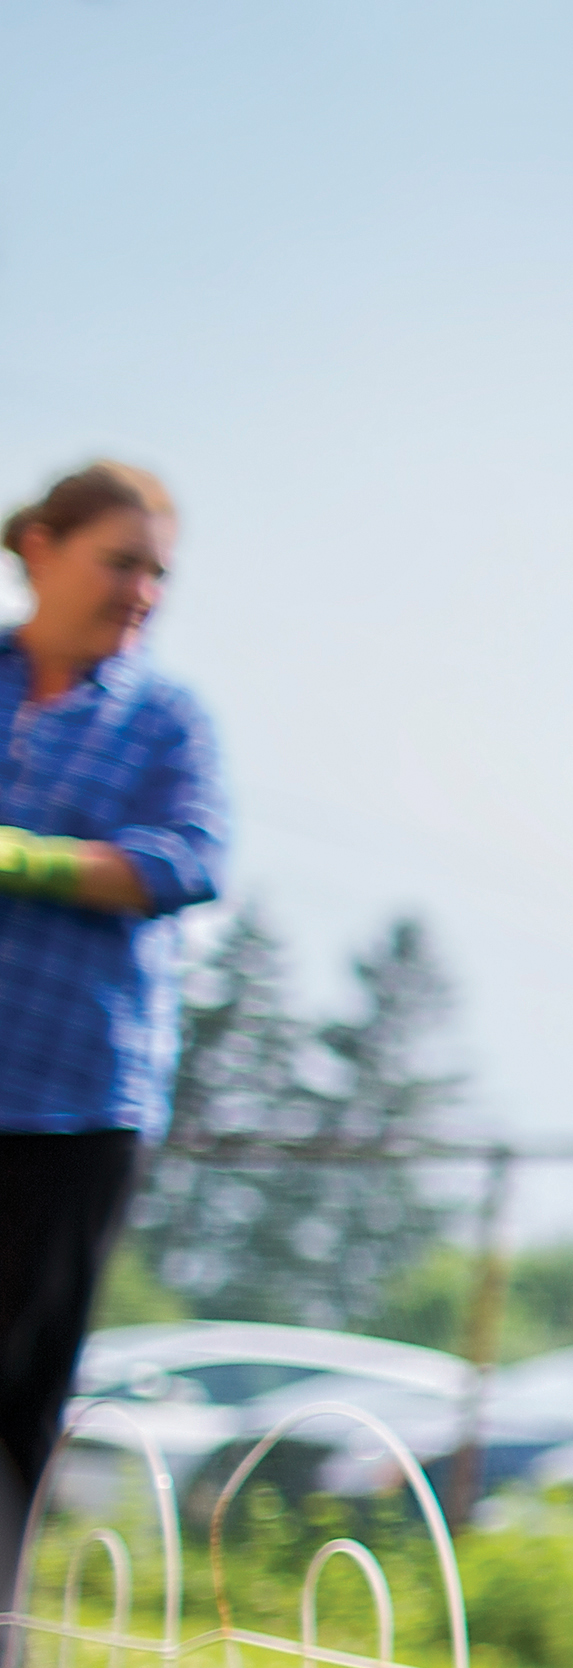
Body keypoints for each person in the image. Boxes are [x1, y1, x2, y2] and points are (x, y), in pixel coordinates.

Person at [1, 462, 224, 1562]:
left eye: (158, 573)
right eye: (120, 561)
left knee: (10, 1388)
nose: (141, 590)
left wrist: (33, 862)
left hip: (71, 1101)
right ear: (41, 547)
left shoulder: (163, 720)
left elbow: (186, 861)